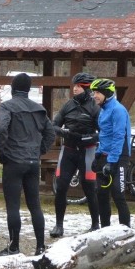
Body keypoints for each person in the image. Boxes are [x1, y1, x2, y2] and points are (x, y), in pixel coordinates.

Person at [0, 73, 56, 256]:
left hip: (14, 160)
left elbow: (2, 129)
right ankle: (40, 246)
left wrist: (1, 152)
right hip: (32, 162)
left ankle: (14, 246)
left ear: (13, 88)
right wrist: (39, 151)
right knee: (34, 205)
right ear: (29, 89)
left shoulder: (7, 106)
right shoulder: (39, 109)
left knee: (13, 206)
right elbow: (50, 134)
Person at [50, 72, 101, 236]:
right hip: (69, 150)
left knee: (89, 188)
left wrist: (91, 137)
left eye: (78, 86)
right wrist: (64, 133)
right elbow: (54, 125)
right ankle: (59, 226)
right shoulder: (68, 105)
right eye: (74, 86)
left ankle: (95, 225)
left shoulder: (95, 107)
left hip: (87, 151)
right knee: (61, 186)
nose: (75, 88)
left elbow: (103, 131)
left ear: (86, 88)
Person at [90, 78, 132, 228]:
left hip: (119, 157)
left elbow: (118, 136)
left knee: (118, 195)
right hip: (105, 155)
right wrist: (98, 154)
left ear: (107, 93)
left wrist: (112, 161)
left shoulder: (118, 110)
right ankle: (105, 230)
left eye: (98, 93)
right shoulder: (103, 110)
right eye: (94, 92)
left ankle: (126, 230)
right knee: (101, 195)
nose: (94, 95)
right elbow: (104, 135)